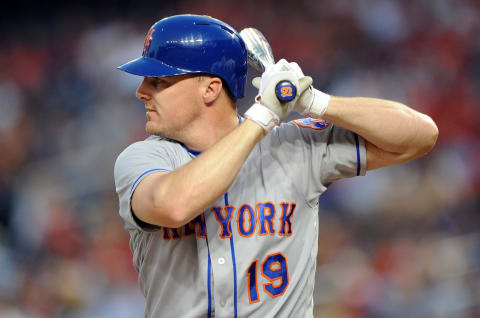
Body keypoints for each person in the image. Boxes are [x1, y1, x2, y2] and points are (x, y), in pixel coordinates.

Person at [114, 14, 438, 318]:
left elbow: (421, 135)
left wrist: (315, 102)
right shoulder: (143, 159)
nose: (142, 92)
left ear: (210, 89)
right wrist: (262, 117)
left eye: (158, 81)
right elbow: (174, 205)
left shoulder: (293, 146)